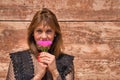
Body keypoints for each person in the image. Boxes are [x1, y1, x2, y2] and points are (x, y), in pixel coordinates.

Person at [6, 8, 74, 80]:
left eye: (48, 31)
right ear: (33, 33)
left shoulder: (67, 62)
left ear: (55, 33)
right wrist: (38, 76)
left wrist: (55, 72)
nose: (44, 37)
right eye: (39, 31)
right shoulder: (18, 60)